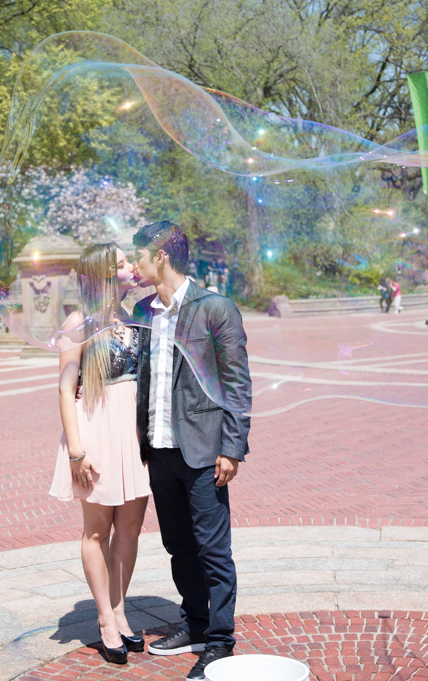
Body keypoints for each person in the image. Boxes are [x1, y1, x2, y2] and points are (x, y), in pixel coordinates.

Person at [131, 221, 252, 680]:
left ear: (160, 256)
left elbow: (237, 383)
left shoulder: (214, 308)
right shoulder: (142, 310)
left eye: (139, 255)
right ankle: (196, 624)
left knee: (212, 550)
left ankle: (220, 641)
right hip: (159, 447)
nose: (134, 264)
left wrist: (232, 448)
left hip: (202, 449)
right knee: (178, 545)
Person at [49, 243, 151, 665]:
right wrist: (76, 451)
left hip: (133, 432)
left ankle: (121, 610)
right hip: (95, 431)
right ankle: (105, 619)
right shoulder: (78, 322)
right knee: (97, 529)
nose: (132, 266)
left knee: (130, 528)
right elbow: (64, 389)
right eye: (124, 263)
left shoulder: (134, 316)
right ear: (106, 274)